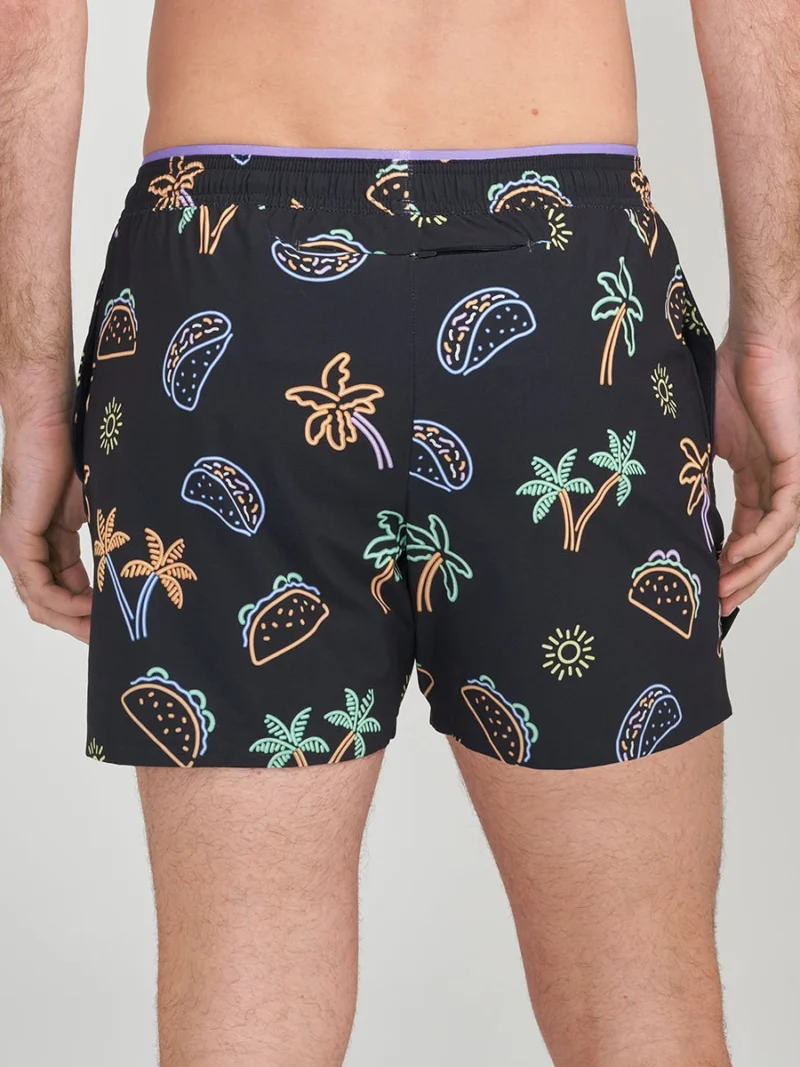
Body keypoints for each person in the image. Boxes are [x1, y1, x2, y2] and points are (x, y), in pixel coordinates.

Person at [1, 0, 798, 1063]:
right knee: (638, 1003)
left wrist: (31, 388)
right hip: (564, 279)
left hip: (228, 285)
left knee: (245, 996)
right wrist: (774, 337)